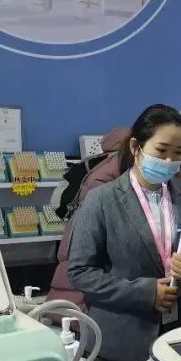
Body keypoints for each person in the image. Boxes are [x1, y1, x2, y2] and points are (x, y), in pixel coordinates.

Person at [69, 104, 181, 361]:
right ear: (136, 147)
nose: (169, 161)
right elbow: (81, 272)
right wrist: (146, 292)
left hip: (173, 340)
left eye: (178, 153)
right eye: (161, 151)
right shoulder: (101, 200)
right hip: (119, 346)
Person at [47, 126, 131, 310]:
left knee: (69, 282)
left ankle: (63, 315)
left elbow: (58, 202)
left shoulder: (94, 163)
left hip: (74, 231)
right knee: (85, 293)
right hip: (98, 240)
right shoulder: (121, 166)